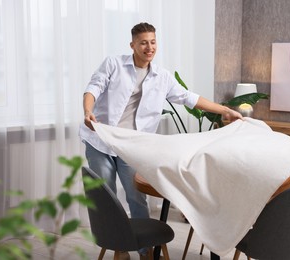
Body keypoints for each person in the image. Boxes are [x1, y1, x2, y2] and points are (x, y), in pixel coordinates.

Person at [79, 22, 242, 259]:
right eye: (143, 42)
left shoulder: (162, 77)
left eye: (153, 42)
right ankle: (119, 247)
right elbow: (93, 88)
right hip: (100, 139)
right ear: (132, 44)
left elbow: (189, 98)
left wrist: (224, 109)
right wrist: (87, 111)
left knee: (136, 196)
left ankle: (145, 250)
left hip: (132, 145)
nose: (149, 47)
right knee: (107, 197)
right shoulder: (114, 64)